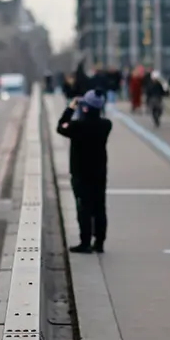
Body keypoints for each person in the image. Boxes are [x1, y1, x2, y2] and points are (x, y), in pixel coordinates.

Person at [56, 91, 113, 253]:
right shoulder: (106, 125)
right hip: (99, 173)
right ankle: (99, 242)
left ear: (85, 108)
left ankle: (85, 242)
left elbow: (61, 126)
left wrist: (70, 108)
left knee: (84, 208)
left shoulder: (77, 127)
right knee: (99, 208)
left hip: (81, 174)